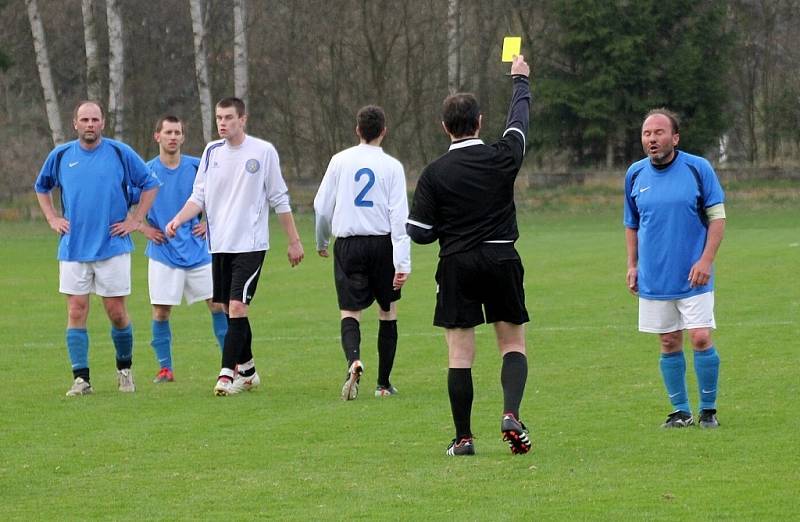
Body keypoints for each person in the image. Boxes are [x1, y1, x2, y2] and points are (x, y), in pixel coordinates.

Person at [406, 55, 532, 456]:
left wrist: (448, 224)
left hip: (457, 264)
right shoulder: (502, 156)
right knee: (512, 345)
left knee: (460, 353)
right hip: (501, 258)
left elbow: (421, 234)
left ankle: (463, 439)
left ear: (444, 127)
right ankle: (510, 413)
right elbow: (518, 125)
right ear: (479, 121)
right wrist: (519, 81)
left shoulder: (434, 173)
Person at [166, 97, 304, 396]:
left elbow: (279, 198)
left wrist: (294, 241)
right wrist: (179, 218)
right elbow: (198, 196)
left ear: (243, 119)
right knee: (229, 309)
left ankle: (227, 375)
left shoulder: (263, 152)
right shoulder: (211, 151)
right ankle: (250, 371)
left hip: (251, 243)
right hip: (220, 245)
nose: (222, 123)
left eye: (228, 117)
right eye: (218, 117)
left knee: (239, 306)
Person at [34, 100, 161, 396]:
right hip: (73, 247)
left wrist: (135, 220)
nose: (90, 125)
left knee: (116, 312)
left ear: (103, 123)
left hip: (112, 246)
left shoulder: (119, 152)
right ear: (74, 124)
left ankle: (124, 369)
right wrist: (53, 217)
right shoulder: (61, 155)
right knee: (76, 309)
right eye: (84, 120)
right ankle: (81, 379)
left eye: (95, 119)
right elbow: (42, 187)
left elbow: (150, 184)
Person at [624, 108, 726, 429]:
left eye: (658, 133)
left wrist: (706, 259)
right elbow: (632, 224)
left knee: (699, 338)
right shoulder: (635, 174)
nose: (652, 139)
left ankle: (708, 410)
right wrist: (632, 265)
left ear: (675, 137)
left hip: (694, 275)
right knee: (668, 342)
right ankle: (680, 411)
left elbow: (718, 218)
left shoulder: (698, 169)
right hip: (654, 277)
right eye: (646, 134)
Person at [314, 105, 411, 401]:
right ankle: (383, 384)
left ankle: (353, 360)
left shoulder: (339, 161)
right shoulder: (393, 166)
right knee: (387, 311)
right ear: (384, 131)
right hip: (382, 243)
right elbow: (399, 216)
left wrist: (322, 240)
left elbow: (321, 205)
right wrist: (402, 261)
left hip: (349, 243)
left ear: (358, 130)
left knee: (350, 311)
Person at [135, 115, 228, 383]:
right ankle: (165, 368)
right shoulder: (146, 171)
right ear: (157, 136)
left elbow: (222, 198)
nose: (173, 137)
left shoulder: (197, 167)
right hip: (163, 252)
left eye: (177, 132)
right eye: (168, 132)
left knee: (218, 305)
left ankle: (228, 365)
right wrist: (143, 228)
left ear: (183, 137)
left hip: (199, 250)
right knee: (161, 311)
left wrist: (210, 226)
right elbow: (122, 203)